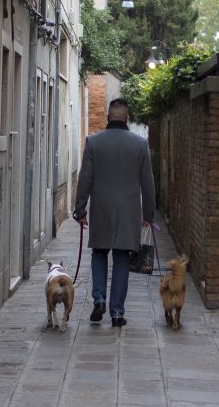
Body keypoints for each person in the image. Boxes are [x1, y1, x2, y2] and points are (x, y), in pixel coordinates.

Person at [73, 98, 156, 327]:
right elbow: (148, 183)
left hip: (101, 210)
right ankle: (117, 313)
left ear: (108, 118)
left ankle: (99, 299)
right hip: (128, 213)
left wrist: (80, 209)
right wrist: (149, 214)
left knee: (99, 253)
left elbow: (85, 180)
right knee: (121, 258)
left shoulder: (93, 142)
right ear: (127, 119)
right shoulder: (140, 145)